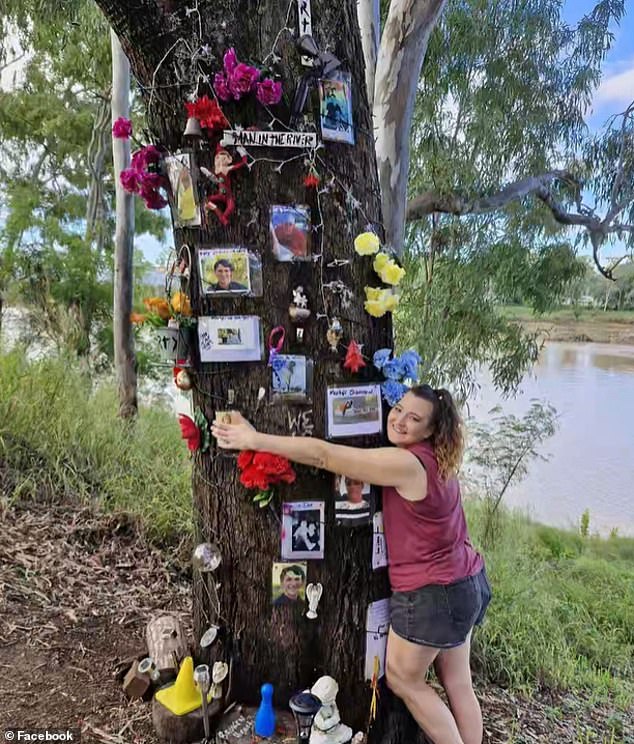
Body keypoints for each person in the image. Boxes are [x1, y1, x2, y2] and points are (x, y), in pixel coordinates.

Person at [212, 385, 491, 744]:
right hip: (466, 581)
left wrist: (253, 438)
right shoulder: (440, 459)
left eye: (415, 418)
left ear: (432, 431)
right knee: (457, 682)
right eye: (400, 408)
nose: (401, 420)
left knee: (403, 678)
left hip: (434, 595)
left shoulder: (407, 463)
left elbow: (324, 455)